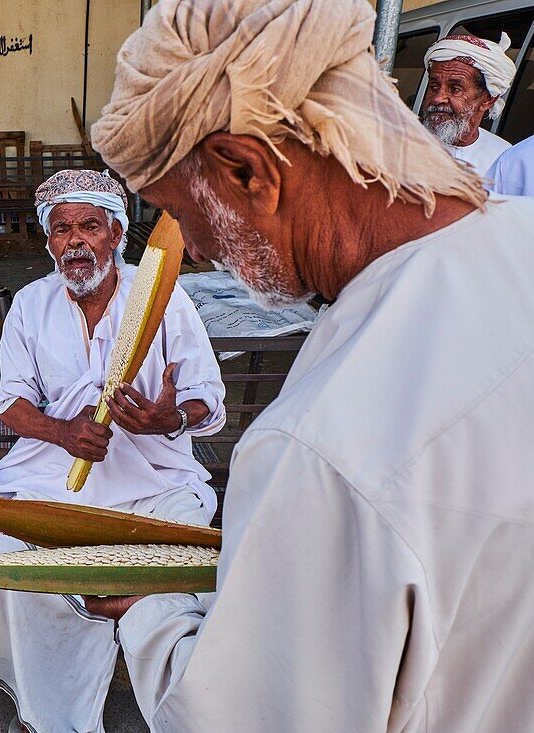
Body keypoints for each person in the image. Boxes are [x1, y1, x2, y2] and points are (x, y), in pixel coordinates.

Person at [84, 0, 534, 731]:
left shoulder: (322, 448)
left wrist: (151, 614)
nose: (192, 249)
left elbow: (240, 715)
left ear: (247, 170)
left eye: (178, 213)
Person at [0, 169, 226, 733]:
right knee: (12, 559)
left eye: (90, 226)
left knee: (180, 571)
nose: (76, 240)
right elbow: (10, 400)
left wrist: (169, 418)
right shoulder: (30, 306)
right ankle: (49, 715)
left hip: (154, 478)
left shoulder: (162, 296)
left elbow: (206, 394)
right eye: (62, 229)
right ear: (48, 240)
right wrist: (62, 433)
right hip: (59, 477)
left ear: (115, 234)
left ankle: (189, 711)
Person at [422, 32, 516, 176]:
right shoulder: (396, 148)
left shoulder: (504, 158)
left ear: (488, 100)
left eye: (455, 89)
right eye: (434, 87)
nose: (437, 99)